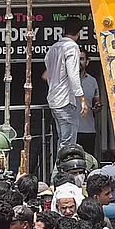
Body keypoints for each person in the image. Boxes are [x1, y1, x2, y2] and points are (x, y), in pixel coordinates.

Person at [44, 18, 88, 149]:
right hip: (65, 101)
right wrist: (82, 99)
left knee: (63, 141)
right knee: (68, 144)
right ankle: (61, 170)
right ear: (78, 33)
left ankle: (58, 169)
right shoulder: (72, 47)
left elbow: (48, 72)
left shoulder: (53, 48)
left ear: (63, 30)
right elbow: (73, 75)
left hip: (53, 99)